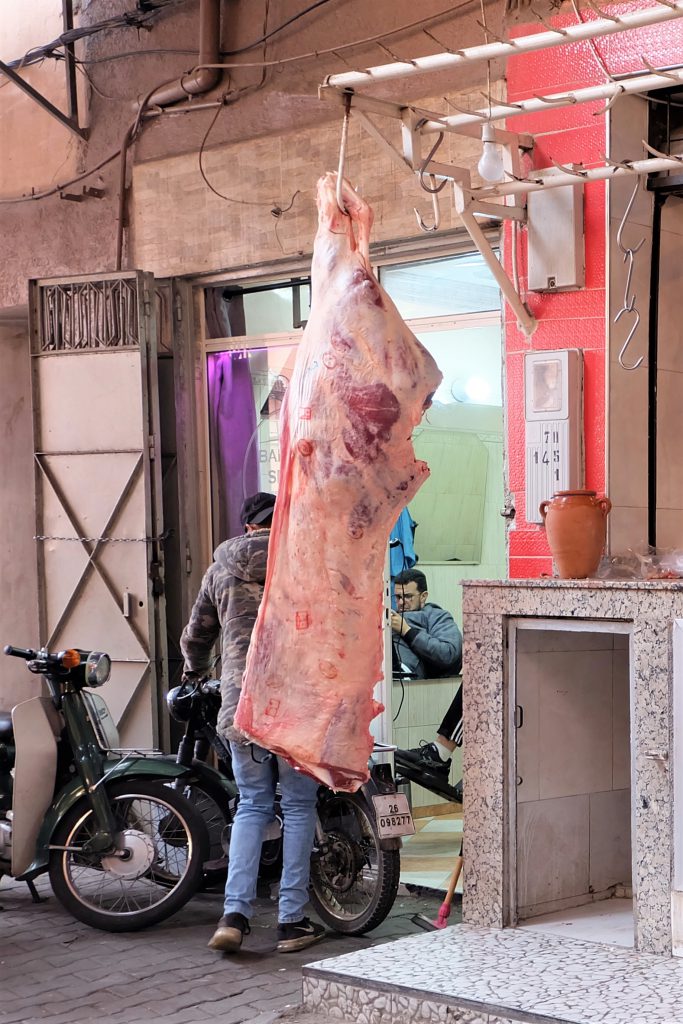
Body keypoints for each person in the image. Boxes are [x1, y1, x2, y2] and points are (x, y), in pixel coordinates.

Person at [180, 491, 325, 955]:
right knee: (300, 808)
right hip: (298, 704)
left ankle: (234, 915)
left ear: (247, 528)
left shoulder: (222, 564)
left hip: (242, 706)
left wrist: (194, 670)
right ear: (280, 520)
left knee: (253, 805)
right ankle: (290, 922)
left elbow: (197, 634)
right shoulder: (305, 559)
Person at [391, 568, 463, 789]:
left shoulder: (436, 616)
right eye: (398, 597)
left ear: (423, 596)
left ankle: (439, 755)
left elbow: (449, 653)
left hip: (417, 684)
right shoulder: (388, 617)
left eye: (408, 597)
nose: (402, 603)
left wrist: (408, 631)